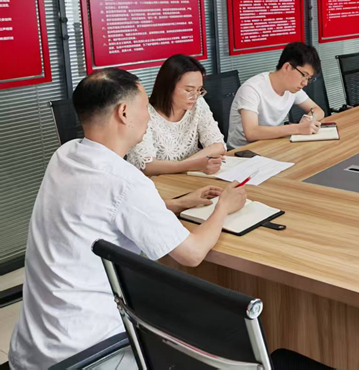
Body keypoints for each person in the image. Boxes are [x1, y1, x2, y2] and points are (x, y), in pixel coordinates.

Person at [9, 68, 247, 369]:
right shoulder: (126, 181)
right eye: (144, 106)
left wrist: (174, 204)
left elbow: (99, 208)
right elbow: (192, 254)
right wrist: (223, 206)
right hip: (91, 354)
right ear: (123, 113)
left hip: (31, 351)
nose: (148, 115)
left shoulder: (66, 155)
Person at [127, 54, 226, 176]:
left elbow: (218, 145)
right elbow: (147, 166)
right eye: (188, 90)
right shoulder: (143, 113)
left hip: (187, 178)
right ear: (168, 87)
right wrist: (193, 165)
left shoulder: (198, 103)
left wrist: (184, 166)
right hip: (157, 183)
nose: (195, 96)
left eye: (199, 89)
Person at [227, 42, 324, 148]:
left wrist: (308, 118)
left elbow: (318, 110)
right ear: (287, 67)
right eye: (304, 75)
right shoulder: (252, 89)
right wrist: (298, 128)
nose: (305, 83)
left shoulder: (292, 89)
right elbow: (251, 133)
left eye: (308, 79)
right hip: (243, 151)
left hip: (272, 145)